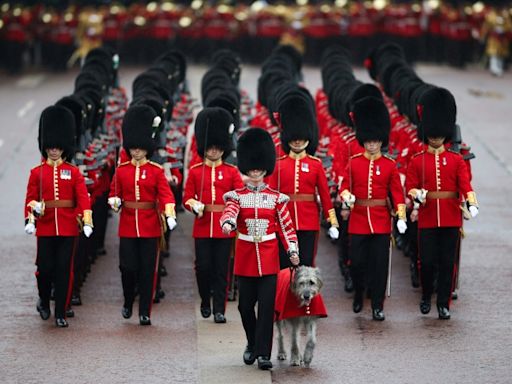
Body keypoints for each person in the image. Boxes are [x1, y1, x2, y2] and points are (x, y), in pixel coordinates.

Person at [220, 128, 299, 370]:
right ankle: (252, 343)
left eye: (259, 169)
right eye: (252, 169)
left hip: (268, 258)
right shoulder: (237, 196)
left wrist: (293, 250)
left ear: (265, 169)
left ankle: (264, 354)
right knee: (245, 307)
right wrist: (227, 222)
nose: (255, 173)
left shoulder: (276, 198)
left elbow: (286, 226)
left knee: (266, 309)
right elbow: (230, 211)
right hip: (245, 258)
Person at [406, 87, 478, 320]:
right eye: (432, 133)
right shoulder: (418, 160)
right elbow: (411, 185)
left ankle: (444, 304)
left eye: (439, 133)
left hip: (450, 216)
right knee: (426, 262)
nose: (436, 137)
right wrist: (416, 195)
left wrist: (471, 203)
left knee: (448, 264)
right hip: (427, 216)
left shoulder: (456, 159)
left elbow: (465, 185)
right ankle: (427, 296)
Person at [24, 105, 93, 328]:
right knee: (44, 268)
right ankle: (44, 300)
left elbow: (82, 198)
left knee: (64, 269)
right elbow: (30, 198)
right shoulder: (37, 172)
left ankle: (61, 311)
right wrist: (31, 216)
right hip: (45, 226)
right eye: (50, 147)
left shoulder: (73, 172)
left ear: (64, 148)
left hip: (67, 226)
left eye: (57, 147)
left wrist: (85, 220)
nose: (54, 151)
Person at [108, 105, 177, 326]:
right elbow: (113, 193)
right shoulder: (121, 170)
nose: (136, 151)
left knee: (148, 271)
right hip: (128, 225)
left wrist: (169, 214)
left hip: (150, 227)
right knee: (127, 268)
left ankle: (145, 311)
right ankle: (128, 301)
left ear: (147, 147)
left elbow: (166, 196)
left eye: (140, 148)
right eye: (133, 148)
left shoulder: (156, 171)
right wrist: (115, 202)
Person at [339, 97, 407, 321]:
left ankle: (378, 305)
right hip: (358, 220)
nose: (371, 145)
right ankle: (359, 293)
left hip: (380, 222)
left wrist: (400, 216)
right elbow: (344, 187)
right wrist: (346, 196)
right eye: (368, 141)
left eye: (375, 141)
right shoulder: (354, 162)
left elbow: (397, 193)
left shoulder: (389, 165)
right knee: (357, 263)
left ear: (380, 141)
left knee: (379, 266)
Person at [183, 107, 244, 323]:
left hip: (224, 229)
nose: (214, 151)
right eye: (211, 148)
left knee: (221, 270)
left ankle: (220, 309)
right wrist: (194, 206)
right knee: (203, 268)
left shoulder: (231, 171)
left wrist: (232, 215)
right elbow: (187, 197)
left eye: (218, 148)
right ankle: (204, 300)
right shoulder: (196, 171)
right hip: (202, 226)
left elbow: (237, 196)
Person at [268, 90, 339, 268]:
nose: (297, 142)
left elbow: (324, 195)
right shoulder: (279, 164)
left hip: (309, 221)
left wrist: (332, 221)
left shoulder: (315, 164)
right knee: (284, 265)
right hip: (284, 220)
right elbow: (270, 195)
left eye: (301, 138)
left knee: (306, 265)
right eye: (294, 139)